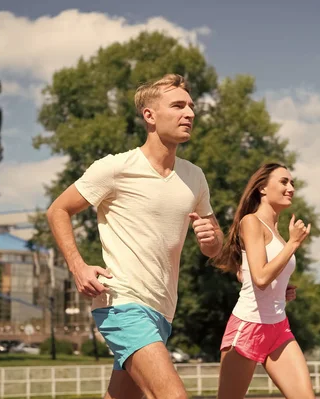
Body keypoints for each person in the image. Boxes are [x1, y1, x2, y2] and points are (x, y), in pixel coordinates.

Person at [46, 74, 223, 399]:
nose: (190, 113)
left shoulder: (194, 177)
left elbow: (215, 247)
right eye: (178, 105)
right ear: (150, 116)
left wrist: (211, 239)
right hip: (122, 303)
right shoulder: (115, 168)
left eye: (192, 106)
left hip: (162, 310)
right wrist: (78, 266)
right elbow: (58, 210)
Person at [213, 163, 315, 399]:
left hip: (279, 327)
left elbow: (253, 273)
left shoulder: (277, 230)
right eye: (283, 182)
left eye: (292, 183)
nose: (290, 188)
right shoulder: (252, 222)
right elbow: (259, 278)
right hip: (249, 325)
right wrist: (293, 244)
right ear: (262, 189)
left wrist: (281, 289)